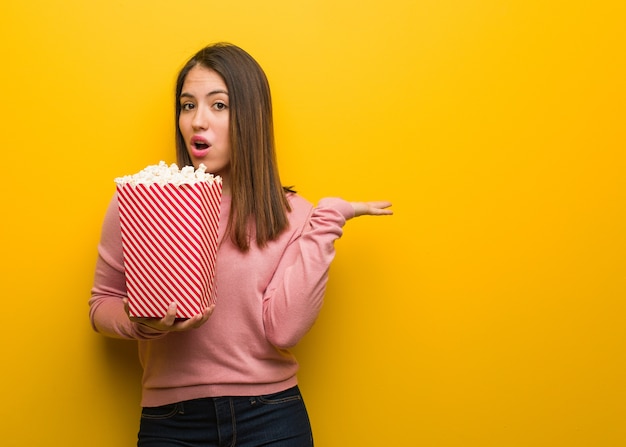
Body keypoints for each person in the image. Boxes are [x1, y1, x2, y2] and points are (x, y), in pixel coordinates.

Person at [89, 42, 392, 447]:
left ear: (250, 117)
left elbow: (283, 330)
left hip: (272, 418)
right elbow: (101, 303)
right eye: (187, 105)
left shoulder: (292, 214)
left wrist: (327, 222)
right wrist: (139, 323)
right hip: (172, 423)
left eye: (218, 106)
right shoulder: (140, 200)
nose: (197, 121)